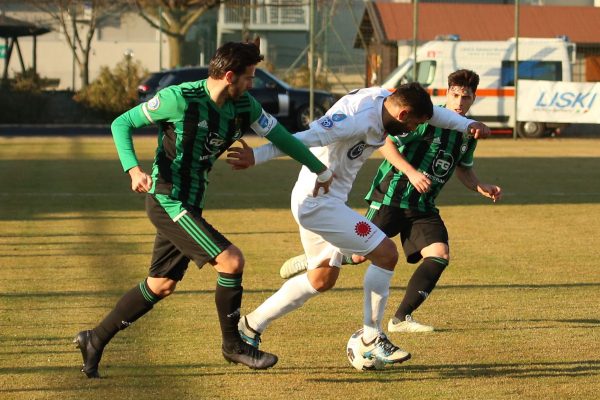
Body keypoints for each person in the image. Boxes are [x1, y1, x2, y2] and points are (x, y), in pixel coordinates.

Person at [73, 40, 334, 378]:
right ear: (229, 76)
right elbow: (121, 123)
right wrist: (133, 169)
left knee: (161, 284)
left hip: (191, 202)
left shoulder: (245, 106)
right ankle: (233, 346)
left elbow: (283, 136)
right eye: (250, 77)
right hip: (168, 199)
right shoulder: (178, 98)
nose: (253, 85)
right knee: (232, 260)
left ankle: (94, 339)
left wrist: (320, 169)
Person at [226, 82, 491, 366]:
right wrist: (257, 155)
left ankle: (251, 325)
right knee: (386, 253)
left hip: (323, 201)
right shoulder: (353, 121)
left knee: (321, 279)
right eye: (413, 125)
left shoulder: (388, 100)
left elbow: (434, 116)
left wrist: (467, 124)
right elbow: (304, 137)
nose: (413, 131)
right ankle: (370, 338)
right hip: (318, 201)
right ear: (402, 115)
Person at [279, 69, 502, 334]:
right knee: (361, 255)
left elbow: (463, 168)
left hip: (424, 205)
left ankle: (400, 319)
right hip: (392, 196)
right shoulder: (426, 116)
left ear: (473, 99)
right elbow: (384, 141)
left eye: (466, 98)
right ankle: (317, 258)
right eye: (455, 95)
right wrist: (411, 171)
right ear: (448, 92)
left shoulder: (467, 132)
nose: (459, 102)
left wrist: (480, 186)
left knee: (439, 255)